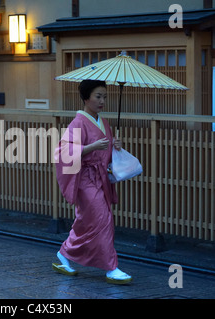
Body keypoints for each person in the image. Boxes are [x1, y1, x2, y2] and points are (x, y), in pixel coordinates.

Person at [52, 80, 132, 285]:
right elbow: (63, 153)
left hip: (100, 178)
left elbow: (105, 153)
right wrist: (91, 147)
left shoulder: (103, 122)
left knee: (87, 222)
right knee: (102, 219)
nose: (102, 100)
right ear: (86, 97)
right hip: (85, 179)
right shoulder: (78, 122)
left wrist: (115, 147)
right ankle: (111, 267)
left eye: (105, 96)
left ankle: (65, 254)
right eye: (98, 96)